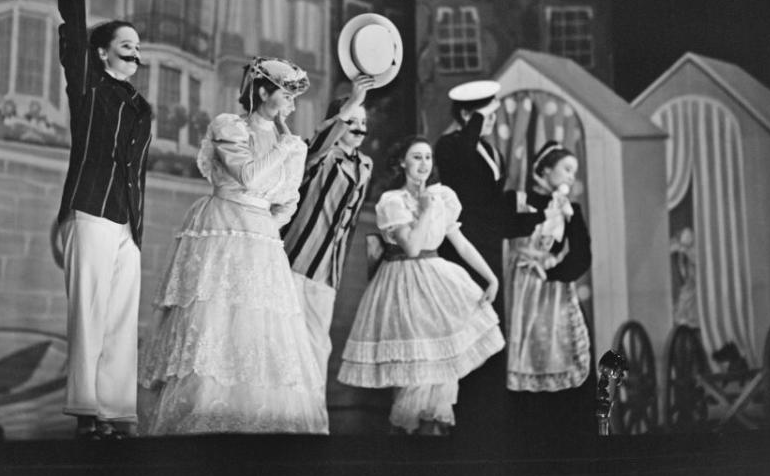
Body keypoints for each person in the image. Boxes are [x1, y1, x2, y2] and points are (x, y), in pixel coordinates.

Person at [138, 57, 329, 435]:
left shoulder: (290, 145)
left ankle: (253, 421)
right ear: (261, 92)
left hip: (257, 235)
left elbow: (288, 200)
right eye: (285, 94)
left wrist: (259, 228)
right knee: (213, 314)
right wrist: (283, 151)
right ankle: (205, 413)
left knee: (257, 320)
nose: (291, 104)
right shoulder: (231, 126)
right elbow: (247, 176)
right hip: (221, 224)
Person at [54, 0, 153, 440]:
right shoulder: (90, 85)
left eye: (138, 46)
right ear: (104, 53)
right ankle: (87, 412)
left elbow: (138, 171)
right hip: (90, 210)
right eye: (127, 44)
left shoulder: (141, 106)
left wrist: (138, 229)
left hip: (125, 224)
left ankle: (116, 411)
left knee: (119, 320)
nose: (136, 51)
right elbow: (72, 29)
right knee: (89, 314)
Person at [338, 136, 504, 435]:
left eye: (428, 158)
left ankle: (434, 440)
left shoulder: (442, 196)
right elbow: (412, 248)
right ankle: (406, 444)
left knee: (441, 374)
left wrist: (491, 277)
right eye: (416, 157)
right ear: (402, 162)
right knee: (417, 374)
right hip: (403, 285)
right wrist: (425, 210)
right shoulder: (392, 201)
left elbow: (461, 244)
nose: (423, 164)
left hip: (438, 284)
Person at [433, 80, 543, 436]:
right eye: (487, 115)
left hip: (490, 247)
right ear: (467, 114)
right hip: (461, 247)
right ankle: (463, 417)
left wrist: (532, 217)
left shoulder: (491, 151)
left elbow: (491, 204)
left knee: (492, 325)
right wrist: (474, 122)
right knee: (466, 325)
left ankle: (489, 417)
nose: (493, 121)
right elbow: (462, 174)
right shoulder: (450, 146)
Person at [282, 74, 376, 391]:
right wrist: (352, 102)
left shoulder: (365, 165)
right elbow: (319, 145)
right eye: (352, 121)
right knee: (285, 341)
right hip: (295, 261)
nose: (359, 128)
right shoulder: (317, 157)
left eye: (363, 121)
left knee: (318, 345)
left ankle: (311, 419)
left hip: (328, 271)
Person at [506, 140, 594, 438]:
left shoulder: (568, 209)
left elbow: (582, 254)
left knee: (556, 349)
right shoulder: (516, 201)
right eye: (566, 169)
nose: (571, 176)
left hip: (551, 288)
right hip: (516, 287)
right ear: (545, 169)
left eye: (575, 171)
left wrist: (553, 272)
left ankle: (560, 431)